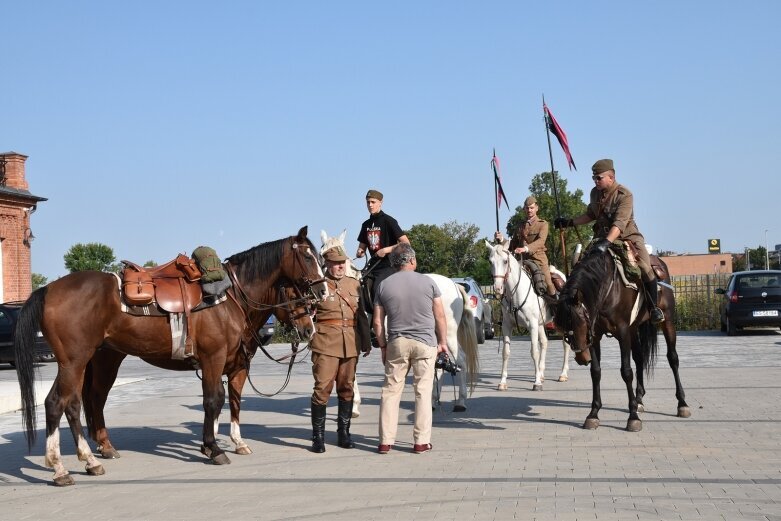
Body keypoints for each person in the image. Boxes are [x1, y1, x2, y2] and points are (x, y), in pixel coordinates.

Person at [554, 158, 665, 324]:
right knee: (580, 263)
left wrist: (606, 242)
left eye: (599, 178)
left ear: (611, 177)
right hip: (601, 237)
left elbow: (619, 224)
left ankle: (653, 307)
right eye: (594, 178)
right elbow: (591, 215)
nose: (595, 181)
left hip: (627, 237)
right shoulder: (594, 193)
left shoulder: (625, 194)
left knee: (643, 265)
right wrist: (569, 222)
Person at [372, 243, 448, 455]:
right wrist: (442, 342)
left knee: (390, 391)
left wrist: (383, 346)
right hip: (425, 343)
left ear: (393, 263)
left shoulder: (383, 285)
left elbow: (378, 322)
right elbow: (440, 315)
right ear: (412, 261)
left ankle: (385, 441)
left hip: (397, 342)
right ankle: (421, 442)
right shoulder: (428, 282)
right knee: (423, 391)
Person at [309, 245, 371, 453]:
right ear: (326, 264)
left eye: (342, 263)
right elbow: (307, 315)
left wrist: (366, 341)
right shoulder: (318, 285)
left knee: (347, 389)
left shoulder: (354, 284)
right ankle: (317, 437)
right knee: (322, 389)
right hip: (325, 343)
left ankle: (343, 433)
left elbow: (361, 314)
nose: (340, 267)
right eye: (335, 263)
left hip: (351, 343)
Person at [494, 195, 556, 296]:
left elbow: (541, 241)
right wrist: (501, 239)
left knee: (548, 284)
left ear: (536, 208)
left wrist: (526, 248)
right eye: (527, 208)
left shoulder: (543, 224)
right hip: (521, 262)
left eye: (531, 208)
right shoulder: (520, 226)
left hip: (538, 260)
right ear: (524, 209)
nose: (529, 210)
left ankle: (556, 306)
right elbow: (512, 245)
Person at [356, 189, 410, 302]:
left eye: (373, 202)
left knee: (378, 288)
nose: (370, 205)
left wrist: (385, 250)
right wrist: (360, 251)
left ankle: (381, 318)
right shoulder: (365, 224)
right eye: (368, 202)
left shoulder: (389, 221)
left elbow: (406, 243)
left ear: (381, 202)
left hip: (389, 265)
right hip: (373, 266)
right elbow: (362, 245)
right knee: (359, 287)